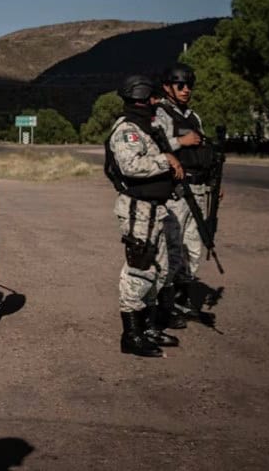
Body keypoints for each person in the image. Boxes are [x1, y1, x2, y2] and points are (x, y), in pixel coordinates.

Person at [104, 75, 183, 357]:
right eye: (152, 98)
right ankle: (131, 335)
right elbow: (131, 166)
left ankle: (149, 327)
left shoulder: (147, 126)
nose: (157, 102)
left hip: (155, 209)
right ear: (141, 98)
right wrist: (166, 160)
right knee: (140, 269)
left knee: (159, 269)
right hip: (139, 210)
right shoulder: (128, 129)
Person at [154, 63, 214, 325]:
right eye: (180, 85)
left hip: (199, 189)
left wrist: (213, 182)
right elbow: (158, 147)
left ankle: (183, 299)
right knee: (173, 249)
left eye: (189, 85)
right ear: (167, 87)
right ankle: (165, 307)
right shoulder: (161, 114)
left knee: (193, 247)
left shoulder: (194, 117)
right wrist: (181, 142)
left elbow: (204, 151)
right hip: (177, 191)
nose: (186, 89)